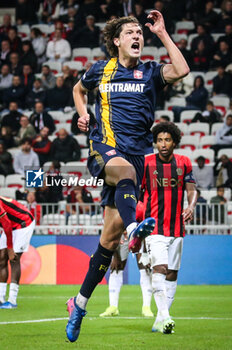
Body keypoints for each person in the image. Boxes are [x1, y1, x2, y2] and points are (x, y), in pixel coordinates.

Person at [65, 10, 189, 342]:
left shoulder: (150, 72)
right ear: (117, 40)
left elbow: (182, 70)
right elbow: (78, 91)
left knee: (107, 242)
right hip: (104, 146)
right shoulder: (99, 69)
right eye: (131, 32)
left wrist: (162, 33)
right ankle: (135, 228)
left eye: (140, 32)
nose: (137, 36)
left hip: (134, 154)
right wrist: (83, 116)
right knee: (127, 172)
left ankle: (78, 304)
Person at [139, 122, 197, 333]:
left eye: (168, 140)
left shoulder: (184, 162)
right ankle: (165, 317)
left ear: (175, 141)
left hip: (177, 228)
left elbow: (191, 190)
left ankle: (160, 320)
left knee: (172, 273)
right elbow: (136, 194)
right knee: (159, 269)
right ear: (155, 142)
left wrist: (190, 206)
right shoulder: (145, 163)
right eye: (160, 140)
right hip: (154, 228)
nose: (163, 144)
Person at [100, 231, 154, 318]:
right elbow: (113, 231)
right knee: (116, 267)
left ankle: (146, 307)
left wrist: (145, 253)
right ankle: (113, 307)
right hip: (121, 235)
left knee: (145, 267)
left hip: (139, 233)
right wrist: (115, 255)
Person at [0, 196, 35, 308]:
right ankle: (0, 298)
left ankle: (12, 300)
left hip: (23, 222)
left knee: (14, 259)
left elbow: (6, 224)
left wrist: (10, 249)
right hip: (10, 225)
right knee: (1, 260)